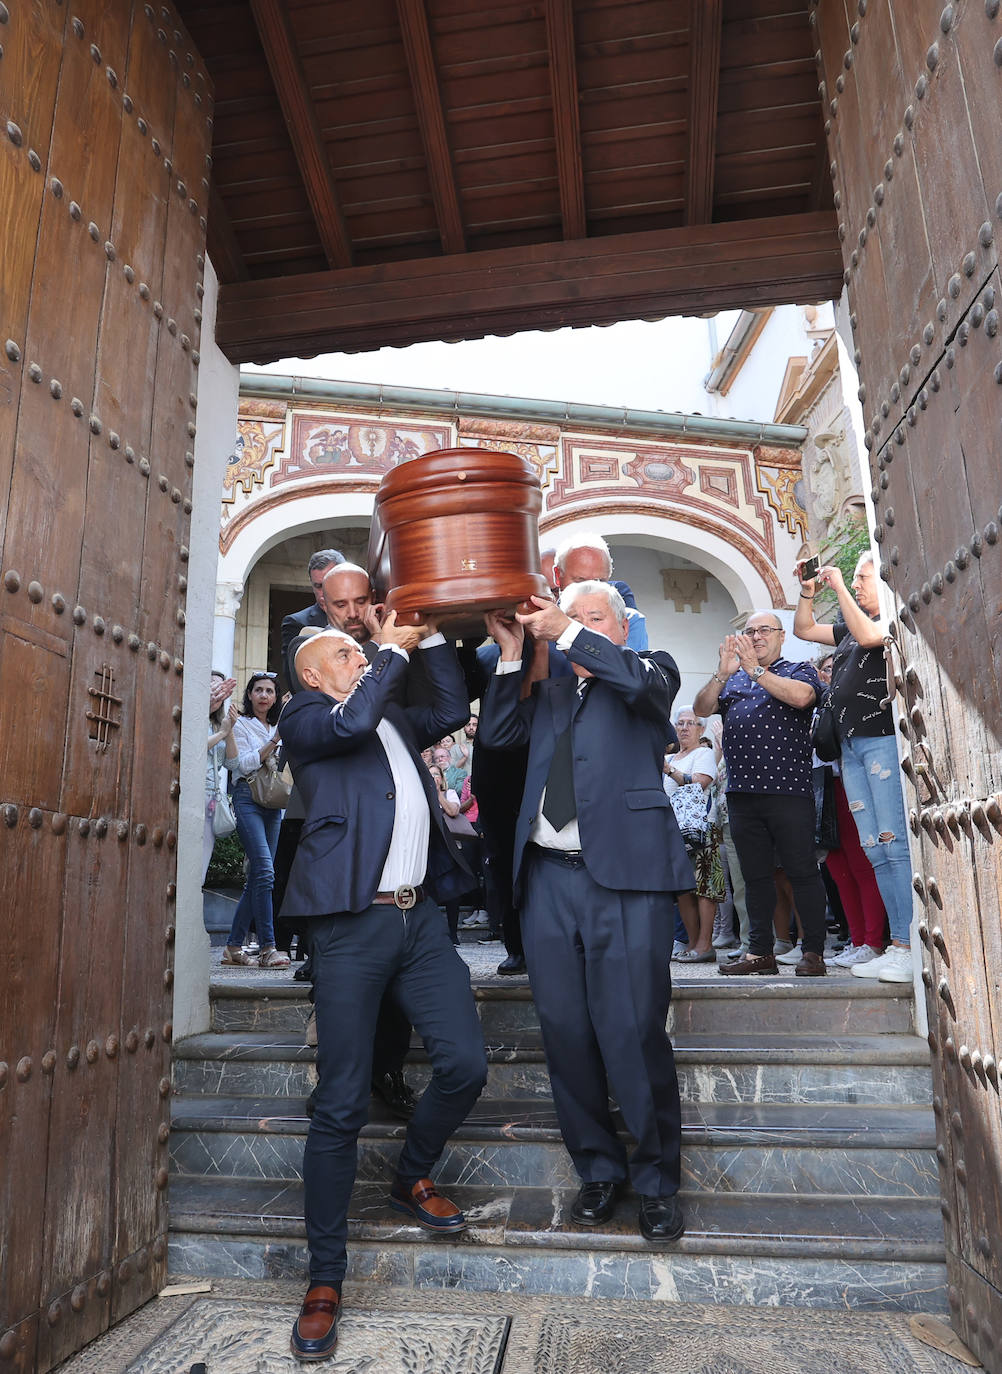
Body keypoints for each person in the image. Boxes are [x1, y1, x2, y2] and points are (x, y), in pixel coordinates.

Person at [279, 620, 486, 1363]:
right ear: (311, 675)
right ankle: (323, 1279)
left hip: (418, 919)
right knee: (340, 1101)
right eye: (343, 653)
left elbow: (451, 709)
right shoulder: (307, 717)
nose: (358, 657)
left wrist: (427, 640)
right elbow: (355, 714)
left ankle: (410, 1175)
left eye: (360, 651)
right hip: (349, 925)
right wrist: (390, 653)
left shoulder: (390, 710)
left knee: (465, 1063)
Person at [479, 581, 692, 1244]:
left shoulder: (651, 669)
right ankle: (599, 1170)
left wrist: (568, 629)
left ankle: (657, 1182)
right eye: (568, 618)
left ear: (621, 627)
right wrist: (515, 652)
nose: (569, 627)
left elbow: (643, 688)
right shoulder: (549, 689)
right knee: (566, 1034)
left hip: (626, 881)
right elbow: (497, 734)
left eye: (592, 618)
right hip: (547, 880)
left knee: (632, 1032)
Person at [794, 552, 912, 983]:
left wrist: (840, 588)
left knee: (893, 843)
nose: (857, 585)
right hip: (851, 747)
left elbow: (869, 639)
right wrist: (809, 593)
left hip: (880, 741)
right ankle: (895, 943)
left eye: (863, 578)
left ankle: (906, 943)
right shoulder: (849, 626)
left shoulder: (895, 617)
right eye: (856, 580)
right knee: (875, 849)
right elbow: (804, 629)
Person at [693, 613, 828, 977]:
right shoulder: (733, 679)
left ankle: (813, 951)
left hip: (789, 792)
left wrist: (755, 671)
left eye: (764, 630)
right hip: (741, 795)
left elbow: (802, 699)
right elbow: (702, 708)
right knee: (754, 878)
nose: (755, 636)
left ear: (781, 637)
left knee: (801, 873)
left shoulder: (798, 670)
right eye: (749, 631)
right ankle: (760, 953)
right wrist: (723, 672)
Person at [222, 672, 290, 969]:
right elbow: (240, 764)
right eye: (258, 690)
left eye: (269, 691)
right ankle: (267, 947)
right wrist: (274, 740)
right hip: (247, 796)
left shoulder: (278, 726)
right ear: (249, 694)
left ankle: (233, 947)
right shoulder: (242, 724)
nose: (264, 695)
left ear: (275, 698)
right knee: (263, 869)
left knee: (260, 876)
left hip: (273, 802)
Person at [663, 708, 724, 962]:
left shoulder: (704, 753)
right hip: (672, 829)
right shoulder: (673, 756)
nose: (684, 728)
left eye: (690, 723)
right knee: (683, 890)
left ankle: (705, 944)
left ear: (701, 729)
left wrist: (668, 771)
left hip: (701, 829)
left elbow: (700, 782)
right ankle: (691, 943)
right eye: (680, 723)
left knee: (706, 888)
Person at [552, 531, 647, 648]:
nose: (588, 592)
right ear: (558, 576)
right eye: (580, 581)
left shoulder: (630, 621)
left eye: (599, 582)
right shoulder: (541, 627)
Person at [280, 547, 345, 687]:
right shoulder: (296, 623)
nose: (323, 593)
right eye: (318, 586)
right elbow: (294, 681)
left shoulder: (364, 617)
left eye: (329, 583)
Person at [204, 672, 237, 883]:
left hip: (210, 797)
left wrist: (229, 730)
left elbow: (233, 764)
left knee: (202, 861)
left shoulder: (220, 725)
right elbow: (195, 747)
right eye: (211, 688)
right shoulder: (191, 718)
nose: (216, 694)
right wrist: (222, 734)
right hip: (191, 793)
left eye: (220, 689)